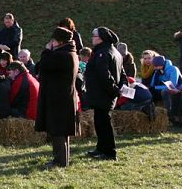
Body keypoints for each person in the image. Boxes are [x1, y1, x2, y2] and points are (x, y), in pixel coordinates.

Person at [35, 27, 80, 168]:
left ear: (59, 41)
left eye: (53, 40)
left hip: (58, 97)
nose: (51, 43)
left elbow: (44, 65)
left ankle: (59, 161)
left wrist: (46, 51)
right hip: (63, 96)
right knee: (61, 130)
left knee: (58, 130)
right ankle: (61, 159)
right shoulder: (70, 53)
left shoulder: (62, 55)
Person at [84, 27, 125, 160]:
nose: (92, 38)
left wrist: (114, 89)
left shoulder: (103, 52)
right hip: (104, 94)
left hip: (102, 94)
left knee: (104, 124)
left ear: (101, 38)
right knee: (100, 121)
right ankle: (101, 148)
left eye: (94, 35)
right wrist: (120, 88)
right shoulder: (113, 51)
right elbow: (122, 74)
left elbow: (104, 75)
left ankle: (109, 152)